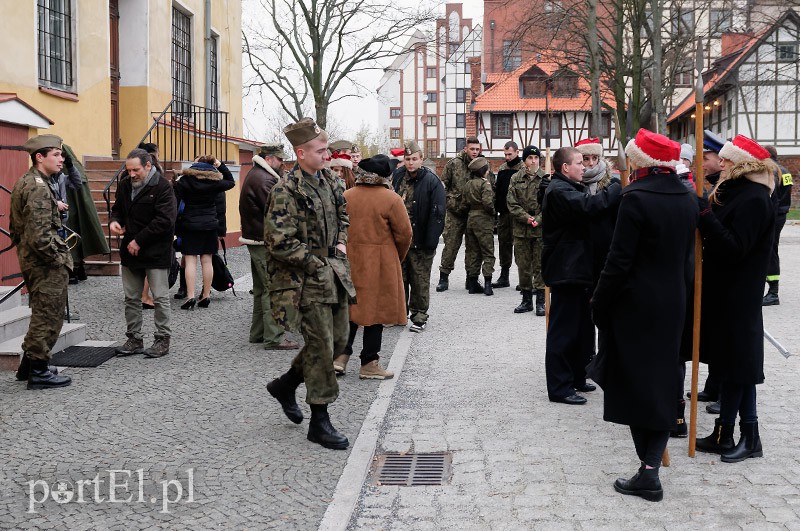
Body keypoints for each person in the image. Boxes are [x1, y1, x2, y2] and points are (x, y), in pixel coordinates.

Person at [592, 128, 698, 502]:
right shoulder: (688, 199)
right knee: (663, 381)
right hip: (674, 302)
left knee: (636, 384)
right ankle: (649, 468)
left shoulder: (634, 198)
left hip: (636, 304)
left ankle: (649, 473)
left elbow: (619, 261)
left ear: (640, 160)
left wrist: (599, 302)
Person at [265, 117, 356, 450]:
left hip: (335, 272)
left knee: (338, 342)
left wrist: (342, 243)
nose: (327, 155)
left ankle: (285, 385)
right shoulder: (285, 190)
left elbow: (343, 214)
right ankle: (320, 420)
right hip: (305, 280)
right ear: (301, 153)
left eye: (327, 150)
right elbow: (278, 240)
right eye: (320, 151)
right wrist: (314, 261)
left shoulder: (331, 182)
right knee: (321, 348)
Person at [695, 135, 776, 463]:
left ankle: (750, 436)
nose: (721, 162)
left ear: (743, 164)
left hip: (740, 293)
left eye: (727, 159)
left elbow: (735, 248)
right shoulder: (736, 192)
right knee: (729, 365)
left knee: (741, 366)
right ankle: (723, 431)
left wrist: (705, 216)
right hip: (724, 291)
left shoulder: (755, 199)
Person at [541, 147, 620, 405]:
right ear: (565, 168)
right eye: (578, 163)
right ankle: (560, 387)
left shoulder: (570, 187)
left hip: (577, 270)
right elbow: (590, 206)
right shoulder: (559, 191)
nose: (583, 167)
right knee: (563, 331)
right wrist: (617, 186)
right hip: (566, 271)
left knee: (580, 329)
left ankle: (576, 376)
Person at [334, 154, 412, 379]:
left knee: (351, 309)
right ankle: (369, 363)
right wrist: (396, 256)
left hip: (350, 260)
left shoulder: (347, 195)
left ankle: (340, 357)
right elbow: (405, 234)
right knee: (376, 313)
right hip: (380, 263)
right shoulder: (391, 199)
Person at [10, 134, 73, 389]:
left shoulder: (35, 182)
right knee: (48, 316)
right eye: (56, 155)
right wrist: (57, 259)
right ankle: (38, 371)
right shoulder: (37, 186)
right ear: (39, 157)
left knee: (43, 313)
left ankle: (30, 366)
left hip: (34, 259)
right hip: (43, 262)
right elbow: (39, 237)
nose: (61, 159)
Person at [111, 148, 177, 358]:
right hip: (130, 251)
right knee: (131, 297)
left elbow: (165, 221)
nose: (131, 174)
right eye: (128, 170)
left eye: (136, 170)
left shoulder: (163, 187)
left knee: (160, 296)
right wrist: (115, 222)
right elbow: (118, 209)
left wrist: (139, 240)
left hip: (156, 250)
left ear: (148, 166)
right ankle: (134, 338)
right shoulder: (124, 185)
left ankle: (162, 340)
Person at [238, 143, 299, 351]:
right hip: (263, 241)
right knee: (272, 289)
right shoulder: (265, 179)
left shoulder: (257, 174)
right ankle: (274, 337)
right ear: (270, 158)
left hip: (255, 239)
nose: (283, 163)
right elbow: (276, 213)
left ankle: (258, 333)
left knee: (260, 289)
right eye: (280, 159)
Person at [393, 141, 446, 333]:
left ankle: (419, 316)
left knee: (420, 280)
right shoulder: (398, 176)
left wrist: (431, 240)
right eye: (407, 159)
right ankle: (400, 313)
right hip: (401, 241)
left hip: (422, 239)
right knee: (401, 279)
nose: (410, 163)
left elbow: (438, 213)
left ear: (421, 159)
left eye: (414, 159)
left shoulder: (432, 181)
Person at [173, 156, 235, 309]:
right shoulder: (215, 182)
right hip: (210, 225)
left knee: (190, 261)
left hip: (190, 225)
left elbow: (175, 204)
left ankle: (191, 296)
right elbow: (231, 181)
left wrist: (174, 228)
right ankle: (206, 295)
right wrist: (221, 165)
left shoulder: (184, 182)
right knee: (207, 260)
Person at [436, 137, 482, 292]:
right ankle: (444, 277)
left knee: (473, 247)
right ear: (465, 149)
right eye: (472, 149)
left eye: (477, 149)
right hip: (455, 212)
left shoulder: (480, 165)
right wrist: (449, 202)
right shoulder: (454, 164)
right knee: (450, 245)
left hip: (473, 213)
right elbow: (443, 185)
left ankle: (471, 279)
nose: (475, 152)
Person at [507, 145, 547, 314]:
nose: (533, 161)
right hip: (521, 229)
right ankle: (526, 299)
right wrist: (526, 218)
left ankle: (540, 301)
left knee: (539, 265)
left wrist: (538, 219)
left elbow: (551, 203)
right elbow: (511, 202)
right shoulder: (516, 178)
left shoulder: (546, 178)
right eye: (530, 158)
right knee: (523, 266)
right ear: (524, 160)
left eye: (536, 158)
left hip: (539, 230)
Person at [762, 145, 793, 306]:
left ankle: (773, 292)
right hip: (781, 214)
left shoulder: (772, 171)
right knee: (772, 248)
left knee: (770, 250)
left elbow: (771, 196)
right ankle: (771, 289)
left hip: (773, 216)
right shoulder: (785, 170)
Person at [462, 157, 496, 295]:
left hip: (471, 219)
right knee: (488, 252)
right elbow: (488, 203)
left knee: (473, 252)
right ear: (484, 171)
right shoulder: (485, 184)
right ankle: (488, 284)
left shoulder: (468, 184)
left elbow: (463, 204)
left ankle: (472, 283)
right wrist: (493, 213)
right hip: (484, 220)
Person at [493, 141, 523, 288]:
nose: (507, 157)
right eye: (505, 154)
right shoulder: (502, 169)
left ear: (517, 152)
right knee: (504, 244)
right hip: (504, 213)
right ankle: (504, 276)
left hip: (518, 213)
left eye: (510, 154)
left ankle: (524, 278)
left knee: (519, 246)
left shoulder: (524, 168)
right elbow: (498, 190)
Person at [138, 142, 162, 307]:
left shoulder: (131, 174)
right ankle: (145, 296)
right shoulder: (155, 173)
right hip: (149, 224)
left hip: (138, 224)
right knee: (150, 264)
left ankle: (142, 294)